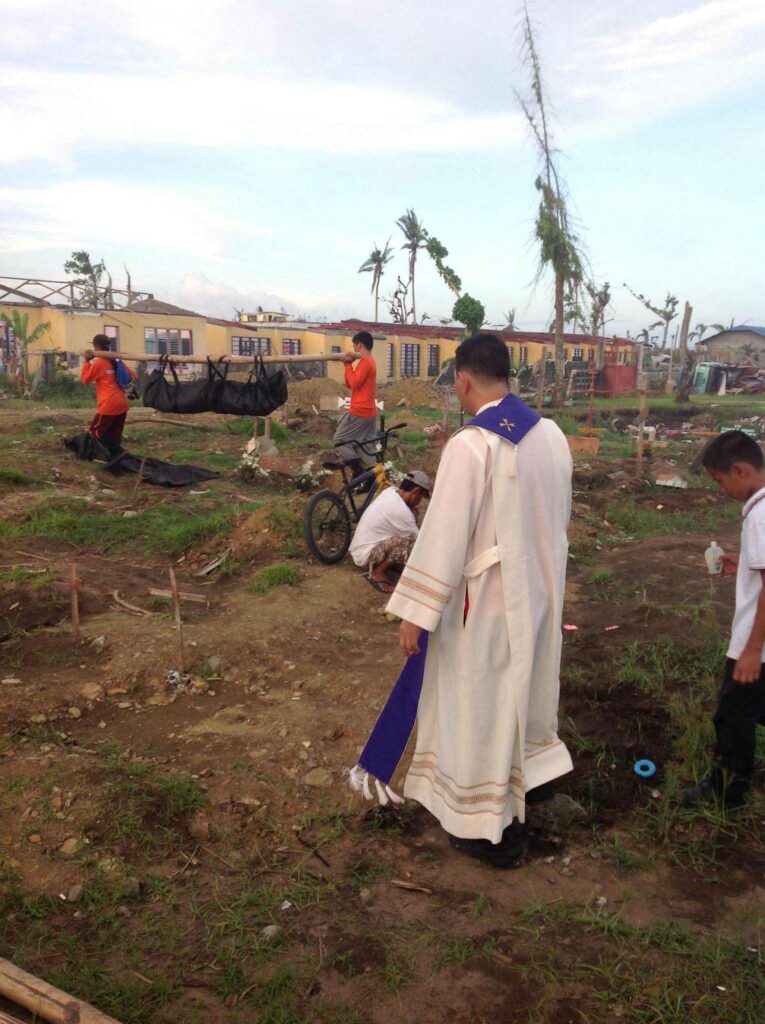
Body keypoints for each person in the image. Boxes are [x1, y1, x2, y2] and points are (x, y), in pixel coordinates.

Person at [349, 333, 573, 868]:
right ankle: (534, 780)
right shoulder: (551, 435)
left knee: (478, 711)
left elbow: (444, 534)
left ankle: (484, 828)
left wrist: (415, 613)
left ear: (464, 381)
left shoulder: (472, 444)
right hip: (540, 592)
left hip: (489, 606)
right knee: (527, 697)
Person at [682, 430, 765, 809]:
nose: (721, 490)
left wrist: (751, 650)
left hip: (755, 644)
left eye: (720, 481)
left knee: (731, 718)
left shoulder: (760, 515)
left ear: (740, 470)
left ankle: (727, 794)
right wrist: (742, 562)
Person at [349, 470, 432, 593]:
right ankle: (378, 572)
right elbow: (420, 542)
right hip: (366, 556)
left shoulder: (390, 492)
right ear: (416, 492)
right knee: (411, 540)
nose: (419, 501)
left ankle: (387, 563)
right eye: (420, 497)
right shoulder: (401, 511)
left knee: (406, 535)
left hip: (361, 549)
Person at [80, 334, 137, 453]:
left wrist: (87, 362)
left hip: (109, 405)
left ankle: (99, 455)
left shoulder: (99, 362)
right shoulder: (116, 359)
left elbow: (85, 380)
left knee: (95, 431)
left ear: (96, 346)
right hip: (122, 404)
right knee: (114, 435)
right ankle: (114, 457)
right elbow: (135, 376)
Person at [333, 330, 378, 472]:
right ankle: (372, 480)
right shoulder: (367, 362)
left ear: (359, 346)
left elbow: (354, 383)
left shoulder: (366, 362)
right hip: (369, 412)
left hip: (360, 411)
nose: (353, 349)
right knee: (362, 446)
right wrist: (348, 365)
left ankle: (357, 471)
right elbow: (349, 382)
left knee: (340, 441)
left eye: (354, 346)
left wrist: (347, 365)